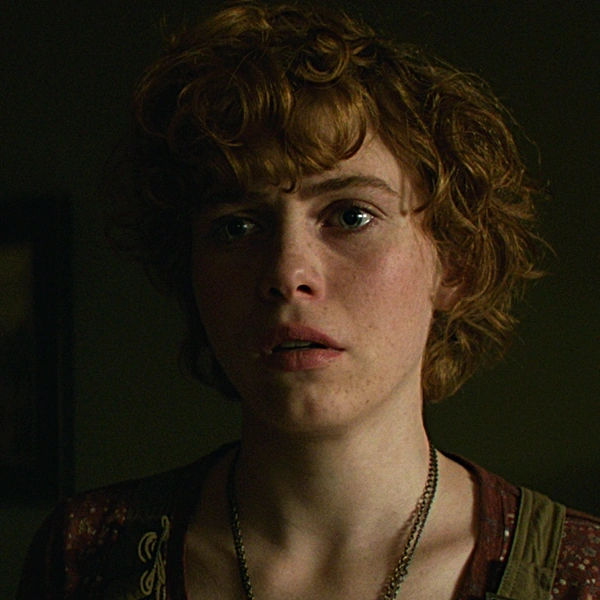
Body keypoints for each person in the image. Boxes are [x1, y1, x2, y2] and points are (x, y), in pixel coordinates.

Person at [17, 2, 600, 599]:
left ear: (455, 261)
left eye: (351, 216)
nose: (287, 273)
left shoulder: (578, 576)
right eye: (237, 227)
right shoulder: (86, 555)